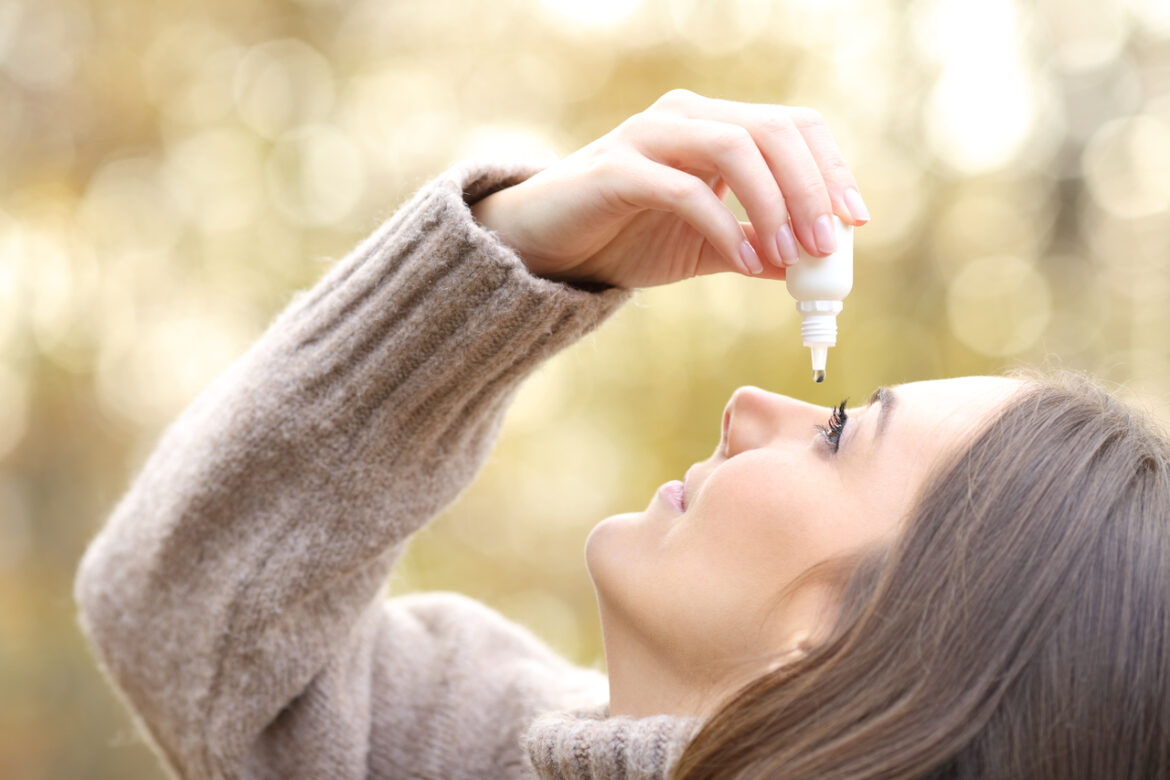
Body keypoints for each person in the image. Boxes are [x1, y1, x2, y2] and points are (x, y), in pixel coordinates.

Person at [74, 89, 1170, 779]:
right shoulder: (483, 749)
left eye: (838, 435)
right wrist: (508, 261)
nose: (749, 407)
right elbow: (186, 619)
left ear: (866, 641)